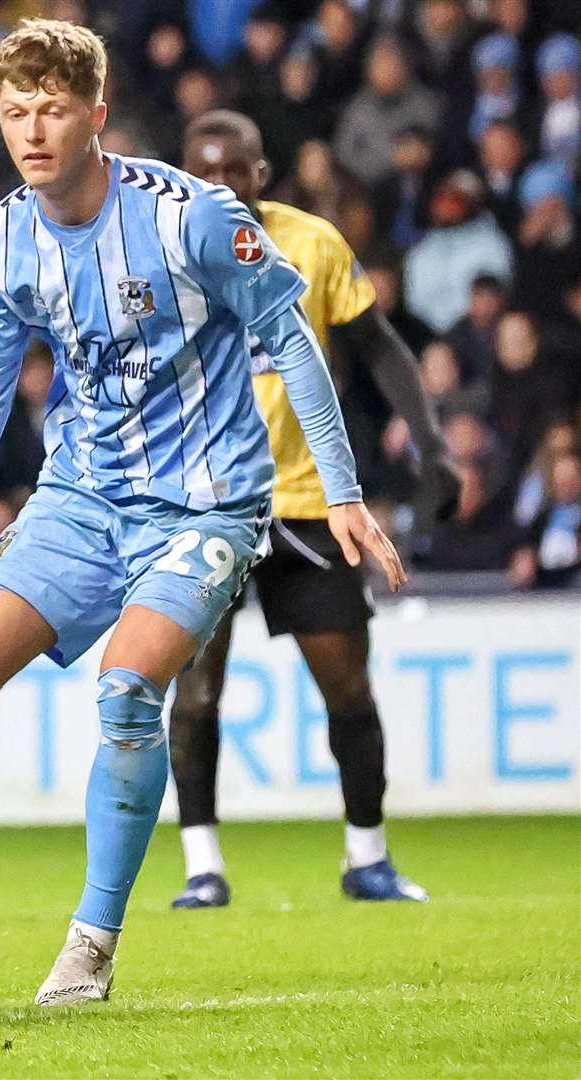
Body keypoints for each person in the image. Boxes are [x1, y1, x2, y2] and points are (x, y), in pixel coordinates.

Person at [0, 20, 405, 1008]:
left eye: (52, 109)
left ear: (95, 114)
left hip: (209, 500)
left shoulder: (191, 217)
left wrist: (344, 491)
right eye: (15, 112)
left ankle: (91, 943)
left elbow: (292, 338)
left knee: (127, 685)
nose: (32, 129)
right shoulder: (3, 241)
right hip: (82, 494)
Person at [168, 110, 461, 910]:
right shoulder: (157, 255)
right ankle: (202, 869)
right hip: (202, 511)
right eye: (204, 172)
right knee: (194, 697)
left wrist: (429, 441)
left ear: (262, 176)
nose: (220, 184)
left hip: (307, 507)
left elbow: (379, 347)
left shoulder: (313, 244)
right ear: (185, 176)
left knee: (349, 692)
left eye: (236, 171)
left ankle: (366, 858)